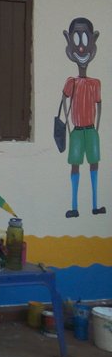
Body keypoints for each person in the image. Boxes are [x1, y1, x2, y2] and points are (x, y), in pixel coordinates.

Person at [60, 17, 105, 217]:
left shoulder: (95, 83)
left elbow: (99, 105)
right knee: (75, 165)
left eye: (85, 40)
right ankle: (74, 206)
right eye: (76, 40)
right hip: (77, 131)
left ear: (93, 41)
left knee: (94, 165)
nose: (81, 48)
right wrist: (69, 127)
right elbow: (64, 101)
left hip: (90, 130)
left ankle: (95, 205)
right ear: (68, 41)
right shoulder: (71, 82)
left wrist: (96, 128)